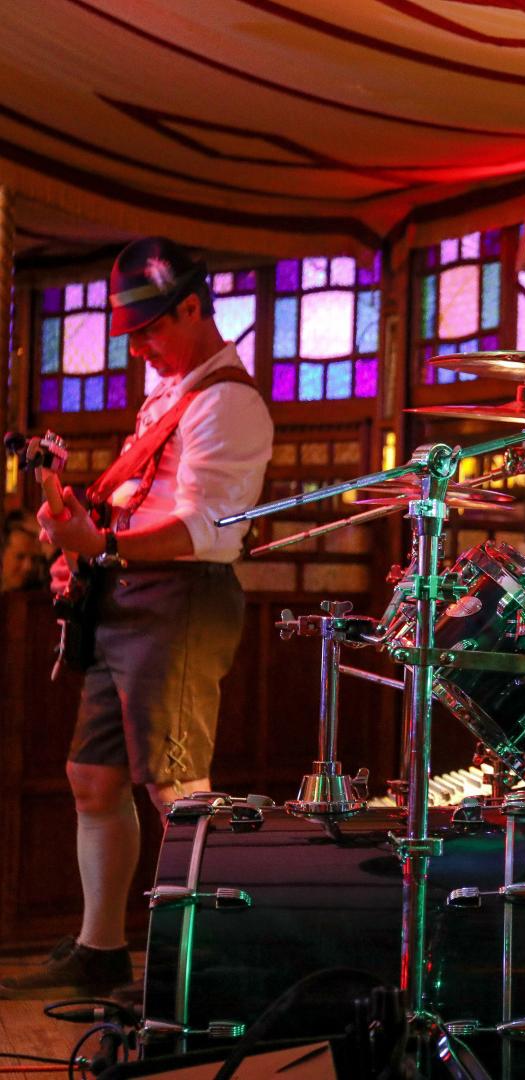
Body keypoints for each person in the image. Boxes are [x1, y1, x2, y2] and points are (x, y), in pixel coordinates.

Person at [0, 238, 273, 998]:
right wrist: (77, 529)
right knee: (93, 776)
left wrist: (105, 540)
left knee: (178, 787)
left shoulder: (229, 401)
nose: (140, 347)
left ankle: (213, 963)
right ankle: (101, 947)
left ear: (193, 306)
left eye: (151, 328)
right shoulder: (172, 394)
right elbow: (135, 501)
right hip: (123, 595)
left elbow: (208, 531)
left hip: (181, 598)